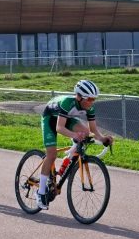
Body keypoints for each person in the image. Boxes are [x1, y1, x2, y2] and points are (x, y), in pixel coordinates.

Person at [36, 79, 114, 210]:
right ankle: (41, 192)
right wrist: (74, 135)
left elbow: (94, 130)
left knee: (85, 131)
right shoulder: (68, 103)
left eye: (93, 99)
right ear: (78, 97)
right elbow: (59, 128)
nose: (91, 102)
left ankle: (70, 156)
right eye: (89, 99)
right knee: (52, 154)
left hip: (66, 118)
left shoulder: (90, 107)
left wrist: (103, 138)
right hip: (50, 118)